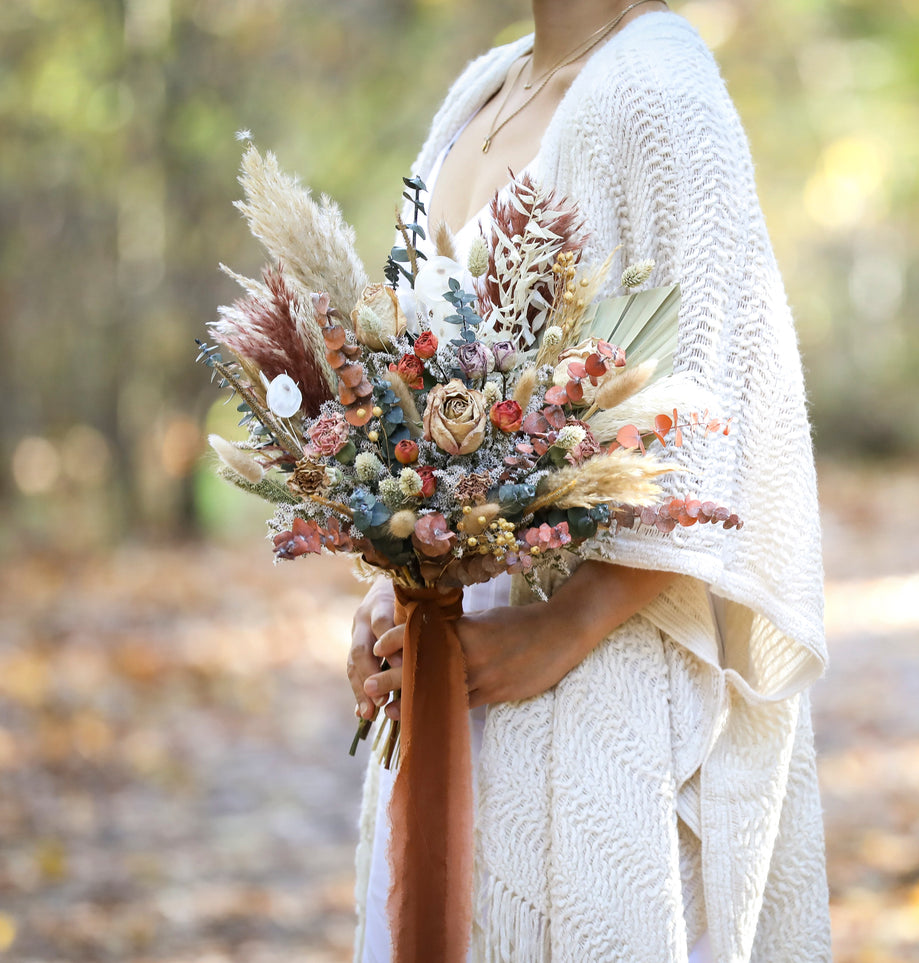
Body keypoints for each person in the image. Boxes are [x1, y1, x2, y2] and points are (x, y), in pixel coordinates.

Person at [347, 2, 831, 960]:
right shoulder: (483, 86)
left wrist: (559, 628)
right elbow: (426, 385)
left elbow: (713, 412)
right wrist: (391, 576)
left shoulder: (661, 90)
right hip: (450, 639)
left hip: (590, 667)